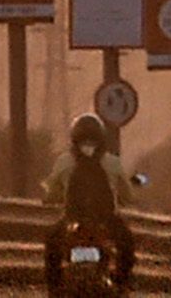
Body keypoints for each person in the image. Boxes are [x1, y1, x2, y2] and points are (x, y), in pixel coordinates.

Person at [50, 114, 136, 292]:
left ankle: (54, 288)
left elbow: (52, 190)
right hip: (106, 219)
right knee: (127, 244)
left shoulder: (63, 162)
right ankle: (122, 284)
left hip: (72, 219)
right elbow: (127, 192)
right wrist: (127, 198)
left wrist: (50, 198)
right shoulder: (113, 162)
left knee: (51, 244)